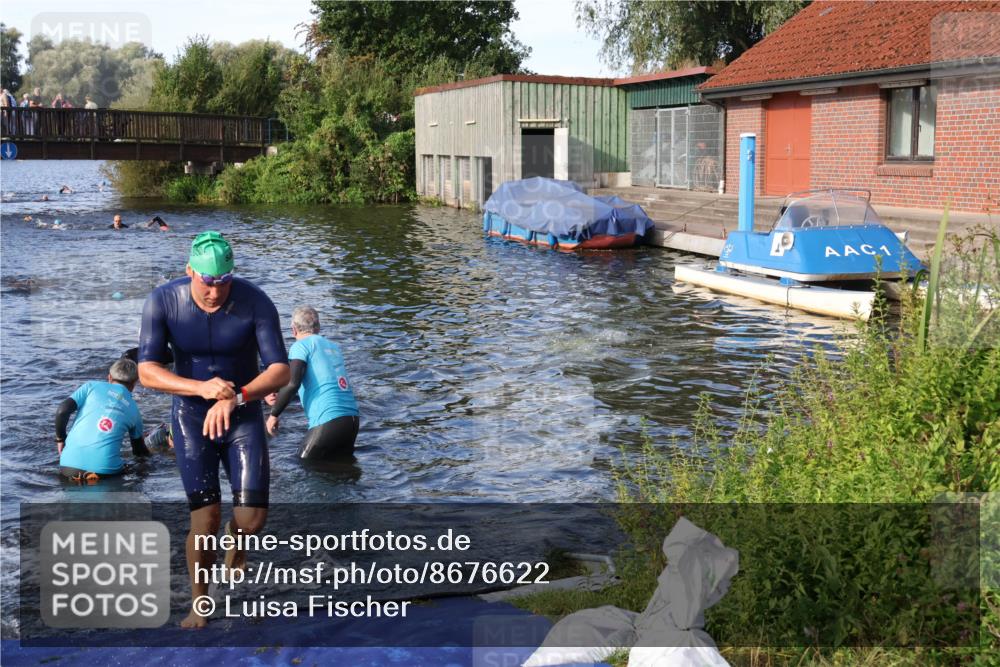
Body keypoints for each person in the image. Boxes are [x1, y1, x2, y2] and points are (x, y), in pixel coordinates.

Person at [137, 230, 289, 629]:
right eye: (207, 281)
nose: (215, 292)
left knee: (252, 520)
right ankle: (199, 604)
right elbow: (147, 372)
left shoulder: (255, 302)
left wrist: (236, 396)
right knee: (204, 520)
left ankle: (237, 539)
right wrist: (200, 388)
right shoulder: (163, 302)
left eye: (223, 282)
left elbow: (280, 370)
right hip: (191, 418)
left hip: (241, 415)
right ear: (189, 270)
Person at [266, 306, 360, 461]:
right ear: (318, 327)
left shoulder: (300, 346)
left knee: (302, 465)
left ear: (294, 329)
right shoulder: (333, 347)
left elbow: (292, 383)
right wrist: (273, 389)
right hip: (352, 420)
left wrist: (273, 415)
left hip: (328, 420)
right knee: (341, 472)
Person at [55, 358, 150, 483]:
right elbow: (139, 452)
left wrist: (60, 439)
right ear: (134, 384)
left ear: (109, 377)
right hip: (105, 473)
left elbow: (62, 411)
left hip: (67, 467)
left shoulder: (90, 387)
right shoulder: (135, 412)